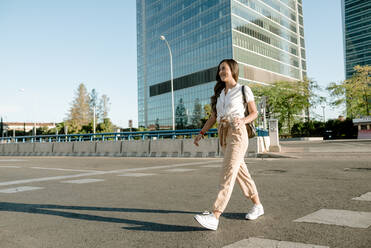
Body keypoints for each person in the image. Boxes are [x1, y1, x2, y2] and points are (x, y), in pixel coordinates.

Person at [193, 59, 263, 231]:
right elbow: (212, 118)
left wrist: (243, 120)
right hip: (223, 135)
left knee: (227, 172)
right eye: (219, 69)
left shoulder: (243, 90)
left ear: (233, 70)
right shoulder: (220, 94)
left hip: (238, 133)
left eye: (224, 68)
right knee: (240, 173)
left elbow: (254, 113)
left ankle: (215, 214)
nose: (221, 72)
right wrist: (201, 133)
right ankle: (257, 205)